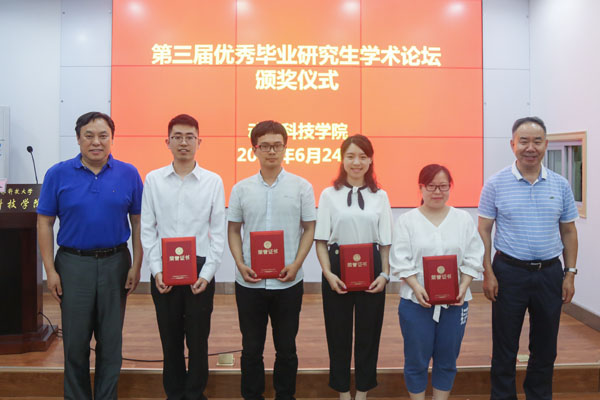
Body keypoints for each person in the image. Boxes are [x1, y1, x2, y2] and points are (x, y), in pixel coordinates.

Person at [37, 111, 143, 400]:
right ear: (78, 139)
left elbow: (138, 222)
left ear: (112, 139)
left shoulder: (129, 173)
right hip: (73, 265)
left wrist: (136, 265)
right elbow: (44, 222)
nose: (96, 142)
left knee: (111, 342)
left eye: (103, 136)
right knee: (75, 342)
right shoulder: (57, 174)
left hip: (116, 263)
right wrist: (50, 270)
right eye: (89, 135)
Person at [478, 116, 579, 400]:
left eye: (537, 141)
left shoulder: (560, 185)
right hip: (509, 272)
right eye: (524, 141)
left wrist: (570, 273)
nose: (530, 147)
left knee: (545, 346)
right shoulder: (495, 184)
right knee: (505, 345)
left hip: (549, 273)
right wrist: (488, 272)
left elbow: (569, 231)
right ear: (512, 145)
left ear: (546, 145)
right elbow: (483, 230)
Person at [227, 120, 316, 400]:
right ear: (254, 149)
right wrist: (240, 264)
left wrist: (297, 264)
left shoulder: (302, 187)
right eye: (265, 146)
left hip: (288, 283)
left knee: (286, 348)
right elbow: (233, 230)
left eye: (277, 145)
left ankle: (285, 396)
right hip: (249, 282)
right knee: (251, 349)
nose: (272, 151)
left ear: (285, 147)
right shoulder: (241, 189)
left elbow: (309, 228)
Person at [141, 114, 225, 400]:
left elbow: (218, 233)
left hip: (200, 270)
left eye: (190, 137)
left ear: (199, 142)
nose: (184, 142)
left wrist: (207, 274)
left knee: (198, 340)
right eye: (177, 137)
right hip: (164, 269)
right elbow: (148, 229)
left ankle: (195, 394)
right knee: (170, 338)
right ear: (167, 142)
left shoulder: (213, 181)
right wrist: (156, 270)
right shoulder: (154, 180)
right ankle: (174, 394)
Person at [390, 164, 484, 400]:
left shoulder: (462, 219)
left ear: (450, 187)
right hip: (415, 303)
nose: (437, 192)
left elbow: (474, 256)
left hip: (455, 304)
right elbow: (400, 259)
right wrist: (416, 287)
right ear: (421, 187)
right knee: (416, 359)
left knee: (447, 359)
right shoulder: (407, 221)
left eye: (443, 186)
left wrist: (463, 286)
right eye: (431, 186)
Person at [314, 134, 392, 400]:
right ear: (342, 159)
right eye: (350, 156)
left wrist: (385, 274)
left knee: (369, 333)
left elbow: (385, 243)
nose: (356, 162)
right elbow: (321, 241)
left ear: (370, 160)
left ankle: (363, 391)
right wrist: (328, 273)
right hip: (337, 267)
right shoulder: (329, 195)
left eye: (362, 156)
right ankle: (342, 391)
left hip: (371, 268)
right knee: (338, 332)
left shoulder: (380, 196)